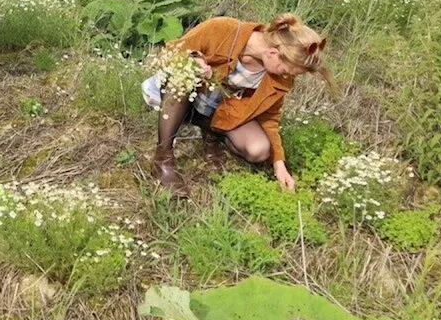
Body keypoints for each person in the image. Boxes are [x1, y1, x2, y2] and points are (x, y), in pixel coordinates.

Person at [143, 14, 336, 197]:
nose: (286, 77)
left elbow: (270, 117)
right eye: (286, 71)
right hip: (183, 95)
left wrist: (279, 164)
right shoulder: (221, 29)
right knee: (183, 72)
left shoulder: (281, 78)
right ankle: (163, 160)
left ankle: (211, 134)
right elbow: (171, 51)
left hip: (218, 111)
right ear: (272, 53)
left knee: (258, 149)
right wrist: (195, 60)